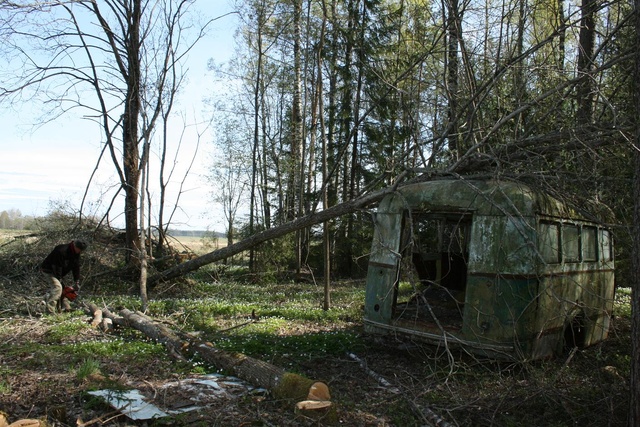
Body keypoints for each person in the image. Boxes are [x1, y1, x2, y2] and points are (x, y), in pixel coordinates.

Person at [41, 239, 87, 314]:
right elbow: (57, 266)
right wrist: (59, 279)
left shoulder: (76, 253)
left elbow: (76, 267)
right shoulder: (61, 250)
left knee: (63, 290)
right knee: (58, 288)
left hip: (58, 272)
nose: (80, 252)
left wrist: (77, 280)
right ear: (75, 246)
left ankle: (60, 309)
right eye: (79, 250)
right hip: (49, 270)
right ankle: (49, 311)